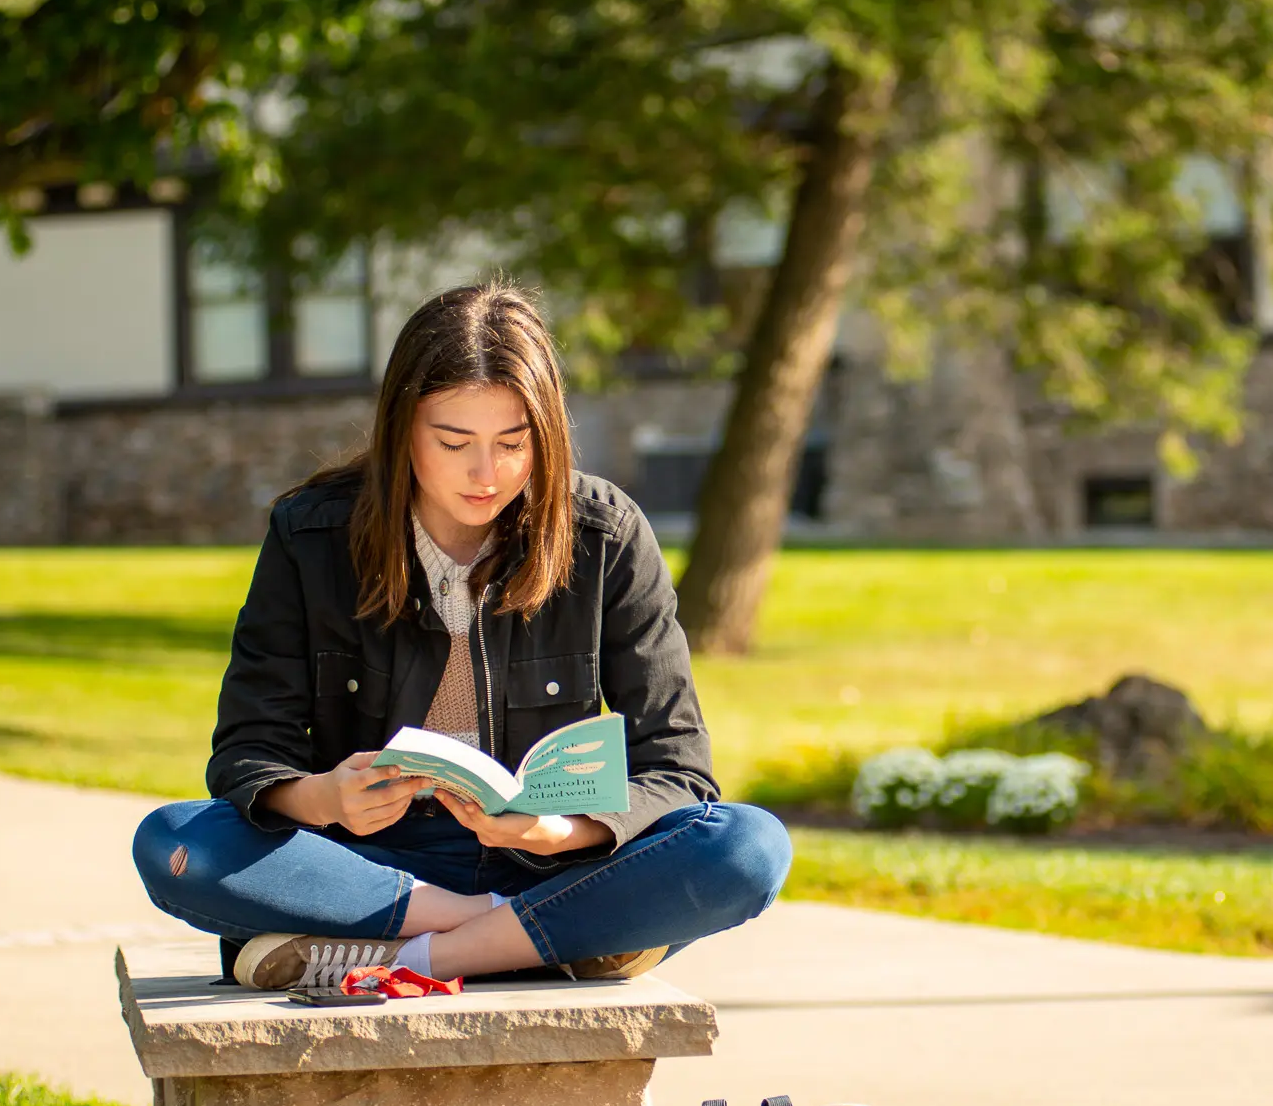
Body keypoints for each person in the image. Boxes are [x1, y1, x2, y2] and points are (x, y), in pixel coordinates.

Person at [132, 283, 791, 990]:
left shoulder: (607, 534)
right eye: (454, 442)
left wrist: (558, 832)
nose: (487, 474)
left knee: (749, 848)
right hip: (365, 867)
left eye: (514, 443)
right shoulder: (310, 534)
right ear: (402, 428)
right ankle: (541, 933)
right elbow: (245, 754)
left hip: (549, 860)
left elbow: (680, 770)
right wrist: (326, 798)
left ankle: (414, 958)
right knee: (175, 843)